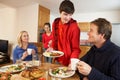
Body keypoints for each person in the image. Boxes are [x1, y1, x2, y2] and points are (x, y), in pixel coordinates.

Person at [47, 0, 81, 66]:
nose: (68, 18)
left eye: (70, 15)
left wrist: (72, 62)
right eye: (65, 14)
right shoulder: (55, 23)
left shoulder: (75, 28)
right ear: (60, 11)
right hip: (57, 58)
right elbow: (54, 39)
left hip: (69, 61)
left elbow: (76, 49)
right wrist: (52, 47)